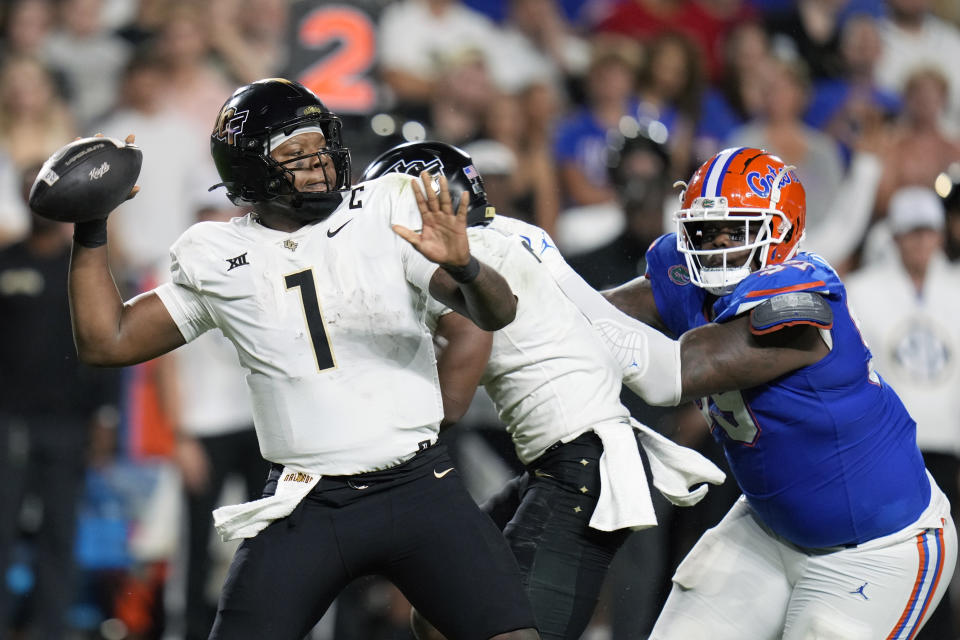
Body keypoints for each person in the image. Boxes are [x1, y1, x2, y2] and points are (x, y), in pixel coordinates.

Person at [62, 78, 538, 640]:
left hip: (419, 487)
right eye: (293, 155)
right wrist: (90, 228)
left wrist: (467, 268)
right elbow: (107, 341)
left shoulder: (386, 208)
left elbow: (496, 312)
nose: (317, 164)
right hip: (308, 502)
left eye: (320, 147)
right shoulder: (218, 254)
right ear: (248, 171)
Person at [565, 147, 956, 639]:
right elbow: (601, 314)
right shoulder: (688, 276)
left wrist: (552, 278)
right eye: (707, 232)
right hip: (769, 526)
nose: (718, 247)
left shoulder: (804, 303)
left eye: (737, 231)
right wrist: (535, 292)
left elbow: (675, 372)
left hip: (879, 548)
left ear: (782, 230)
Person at [362, 140, 726, 640]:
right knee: (438, 612)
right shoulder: (517, 234)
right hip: (572, 458)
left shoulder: (470, 258)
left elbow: (452, 399)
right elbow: (597, 321)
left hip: (579, 467)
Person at [845, 186, 960, 640]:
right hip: (890, 448)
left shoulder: (956, 289)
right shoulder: (862, 290)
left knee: (944, 563)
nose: (919, 242)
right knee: (893, 561)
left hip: (946, 446)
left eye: (926, 232)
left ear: (938, 235)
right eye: (910, 233)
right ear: (894, 237)